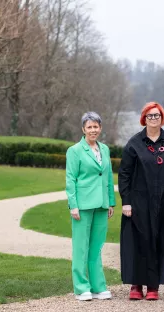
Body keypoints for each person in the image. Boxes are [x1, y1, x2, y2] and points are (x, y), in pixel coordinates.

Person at [118, 102, 164, 301]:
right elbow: (124, 174)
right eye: (150, 116)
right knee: (138, 242)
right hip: (139, 202)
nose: (154, 119)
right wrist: (126, 201)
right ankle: (136, 285)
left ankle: (153, 286)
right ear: (144, 119)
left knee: (160, 241)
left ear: (162, 118)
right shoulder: (134, 143)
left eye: (157, 115)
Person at [65, 112, 116, 301]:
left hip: (102, 204)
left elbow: (109, 176)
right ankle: (81, 287)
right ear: (83, 129)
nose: (93, 130)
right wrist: (73, 205)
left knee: (96, 247)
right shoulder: (75, 150)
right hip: (82, 205)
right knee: (81, 248)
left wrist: (111, 201)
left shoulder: (105, 149)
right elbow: (70, 179)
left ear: (100, 128)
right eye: (89, 127)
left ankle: (98, 286)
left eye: (96, 126)